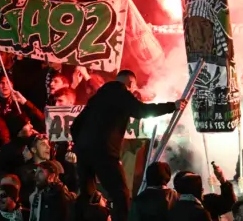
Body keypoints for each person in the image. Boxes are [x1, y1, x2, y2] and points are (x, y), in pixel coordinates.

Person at [70, 69, 184, 221]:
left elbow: (75, 125)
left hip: (84, 151)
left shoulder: (97, 97)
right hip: (105, 151)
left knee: (86, 193)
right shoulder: (121, 93)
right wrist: (172, 106)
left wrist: (79, 145)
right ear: (130, 83)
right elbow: (142, 111)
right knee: (121, 193)